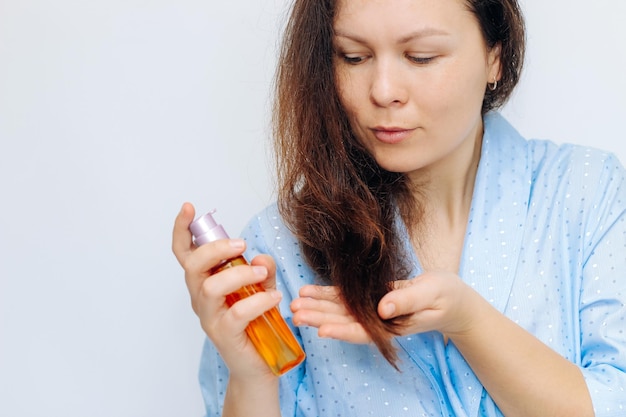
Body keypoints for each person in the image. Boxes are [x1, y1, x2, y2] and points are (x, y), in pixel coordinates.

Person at [172, 0, 626, 415]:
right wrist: (252, 378)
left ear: (495, 56)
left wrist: (466, 319)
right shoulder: (277, 248)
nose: (383, 91)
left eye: (420, 56)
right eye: (353, 57)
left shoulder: (586, 190)